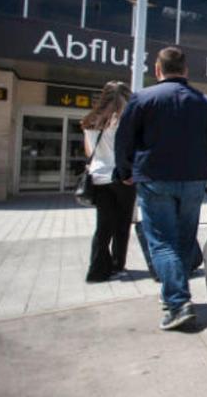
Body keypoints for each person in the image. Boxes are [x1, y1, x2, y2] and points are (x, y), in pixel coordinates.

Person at [114, 46, 207, 330]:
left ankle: (178, 303)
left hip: (155, 179)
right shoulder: (205, 102)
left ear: (157, 70)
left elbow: (123, 139)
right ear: (186, 70)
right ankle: (172, 294)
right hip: (193, 181)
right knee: (183, 241)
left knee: (163, 243)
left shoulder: (142, 99)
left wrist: (124, 171)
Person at [82, 81, 134, 283]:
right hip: (121, 179)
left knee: (103, 226)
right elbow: (127, 153)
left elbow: (89, 153)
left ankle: (96, 270)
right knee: (122, 225)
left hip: (98, 178)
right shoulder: (121, 121)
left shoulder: (91, 121)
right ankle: (117, 265)